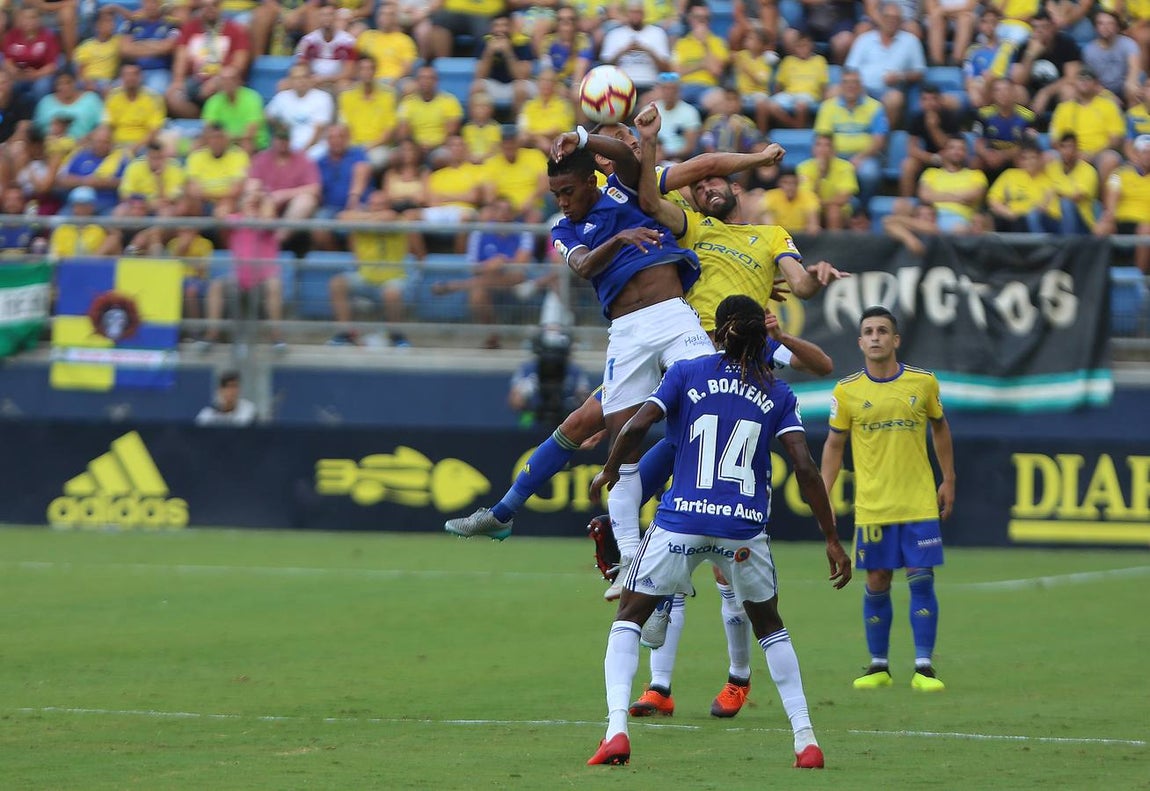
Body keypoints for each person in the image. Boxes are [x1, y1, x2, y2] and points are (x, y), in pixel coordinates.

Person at [584, 293, 852, 768]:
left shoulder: (686, 373)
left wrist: (609, 470)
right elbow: (806, 468)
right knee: (770, 626)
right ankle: (806, 740)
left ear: (719, 330)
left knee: (628, 617)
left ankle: (616, 732)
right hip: (742, 529)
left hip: (681, 520)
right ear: (760, 335)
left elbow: (635, 427)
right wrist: (831, 538)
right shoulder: (777, 392)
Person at [820, 305, 955, 692]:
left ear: (896, 340)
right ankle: (878, 665)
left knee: (920, 578)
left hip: (917, 503)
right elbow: (833, 446)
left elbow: (941, 429)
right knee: (877, 579)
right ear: (860, 341)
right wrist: (824, 494)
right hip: (874, 506)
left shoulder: (923, 383)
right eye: (869, 331)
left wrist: (949, 478)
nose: (876, 336)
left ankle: (924, 667)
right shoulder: (846, 391)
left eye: (883, 330)